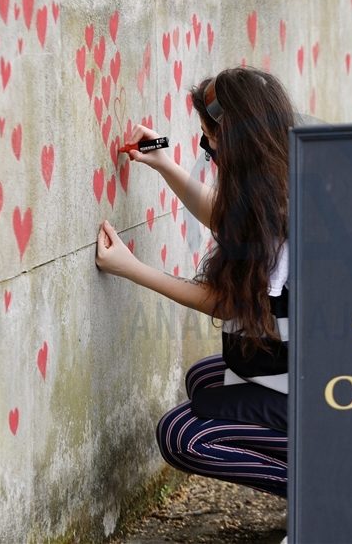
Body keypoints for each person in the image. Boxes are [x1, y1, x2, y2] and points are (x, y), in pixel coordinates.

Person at [95, 67, 294, 502]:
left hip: (318, 393)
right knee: (205, 379)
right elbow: (229, 218)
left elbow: (226, 303)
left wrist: (132, 268)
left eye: (210, 139)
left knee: (180, 434)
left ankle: (323, 493)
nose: (209, 150)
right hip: (300, 372)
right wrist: (164, 163)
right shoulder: (283, 184)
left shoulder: (279, 212)